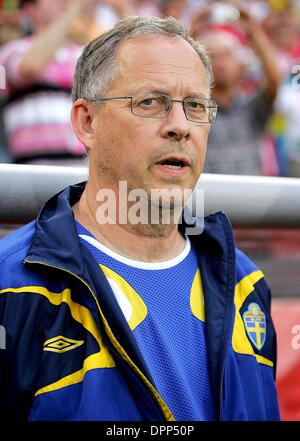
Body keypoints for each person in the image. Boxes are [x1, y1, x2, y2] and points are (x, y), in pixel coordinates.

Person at [0, 16, 280, 421]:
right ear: (87, 122)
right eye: (150, 102)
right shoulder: (12, 287)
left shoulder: (245, 284)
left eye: (196, 106)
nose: (181, 127)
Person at [0, 0, 100, 165]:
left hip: (81, 168)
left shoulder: (82, 54)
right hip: (32, 172)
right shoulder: (12, 50)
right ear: (29, 10)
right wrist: (72, 10)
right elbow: (30, 68)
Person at [191, 5, 283, 175]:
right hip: (210, 196)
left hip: (252, 197)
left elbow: (275, 79)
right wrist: (191, 34)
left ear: (241, 65)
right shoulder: (194, 108)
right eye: (214, 56)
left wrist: (254, 31)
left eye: (227, 55)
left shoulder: (252, 107)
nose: (221, 64)